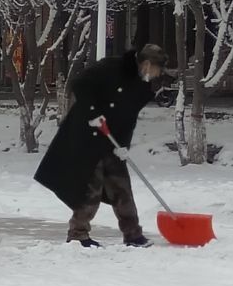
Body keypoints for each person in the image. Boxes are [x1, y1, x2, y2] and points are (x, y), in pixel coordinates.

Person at [34, 43, 168, 247]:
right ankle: (78, 234)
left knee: (122, 187)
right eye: (157, 70)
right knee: (91, 187)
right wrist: (93, 112)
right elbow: (79, 84)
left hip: (112, 140)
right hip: (86, 136)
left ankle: (133, 235)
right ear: (147, 64)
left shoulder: (141, 85)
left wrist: (124, 145)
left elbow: (129, 117)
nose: (158, 75)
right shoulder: (112, 67)